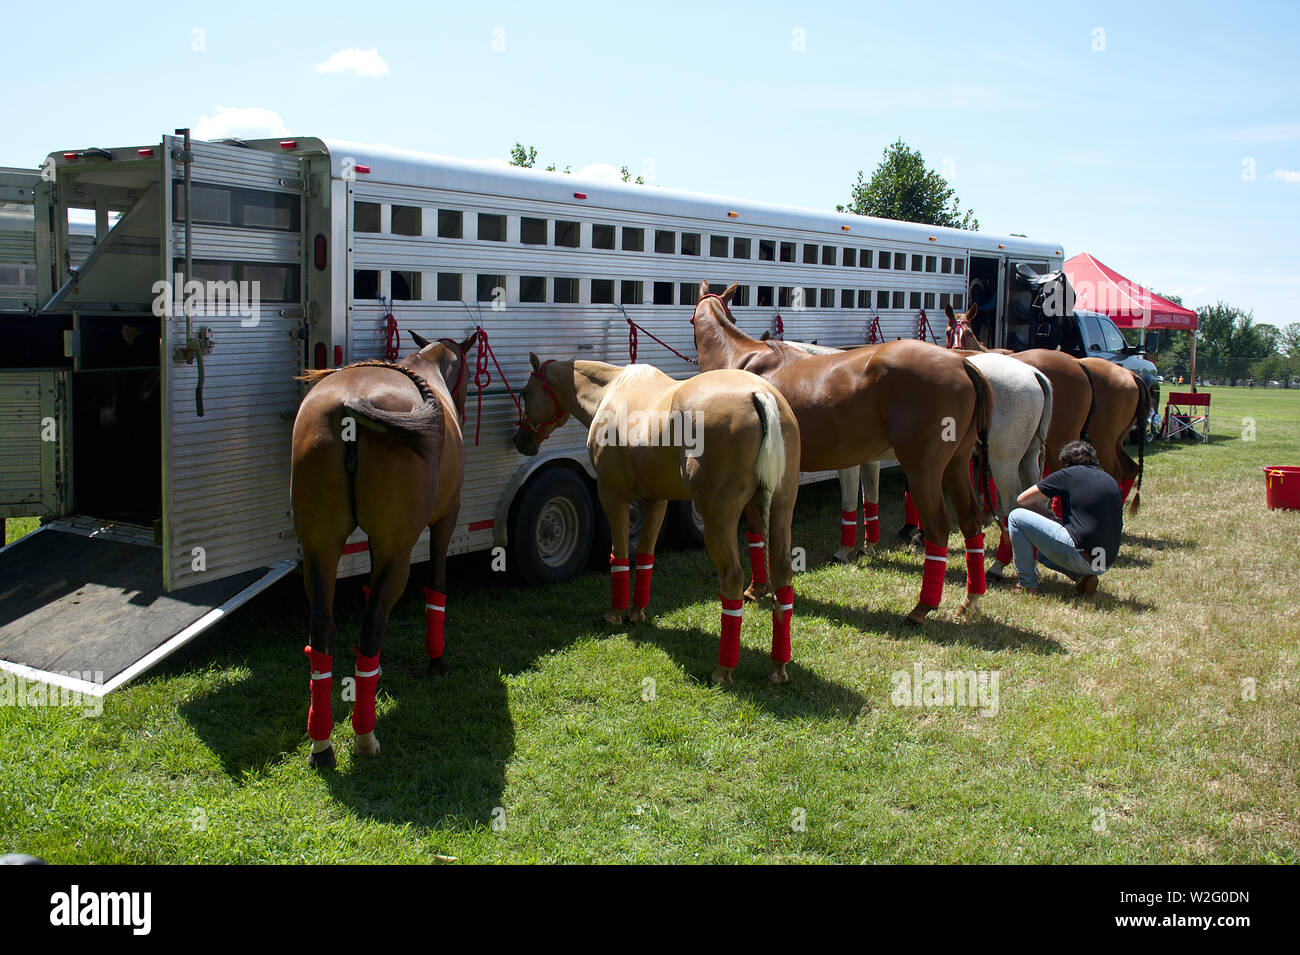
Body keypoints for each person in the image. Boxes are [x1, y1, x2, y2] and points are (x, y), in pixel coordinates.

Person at [1007, 440, 1122, 597]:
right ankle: (1083, 577)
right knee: (1042, 552)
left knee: (1016, 517)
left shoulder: (1068, 474)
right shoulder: (1110, 480)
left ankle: (1027, 584)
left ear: (1066, 462)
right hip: (1103, 562)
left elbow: (1023, 499)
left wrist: (1048, 515)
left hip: (1082, 555)